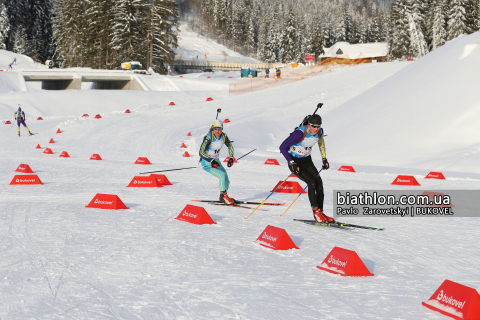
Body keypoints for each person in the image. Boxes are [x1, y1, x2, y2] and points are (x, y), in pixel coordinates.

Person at [279, 114, 333, 223]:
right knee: (311, 182)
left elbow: (321, 142)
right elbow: (282, 147)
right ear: (309, 125)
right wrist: (292, 162)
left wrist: (324, 159)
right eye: (313, 126)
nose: (316, 129)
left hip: (307, 160)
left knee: (319, 183)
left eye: (318, 126)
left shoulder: (319, 132)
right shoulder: (299, 133)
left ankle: (321, 211)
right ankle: (316, 212)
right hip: (295, 162)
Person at [199, 119, 236, 204]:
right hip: (207, 161)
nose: (217, 131)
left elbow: (230, 146)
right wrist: (211, 161)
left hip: (216, 160)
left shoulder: (224, 136)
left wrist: (231, 158)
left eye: (219, 129)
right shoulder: (209, 137)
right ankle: (224, 195)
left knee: (226, 180)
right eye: (215, 129)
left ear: (222, 129)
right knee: (221, 175)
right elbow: (201, 152)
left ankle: (222, 197)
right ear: (213, 128)